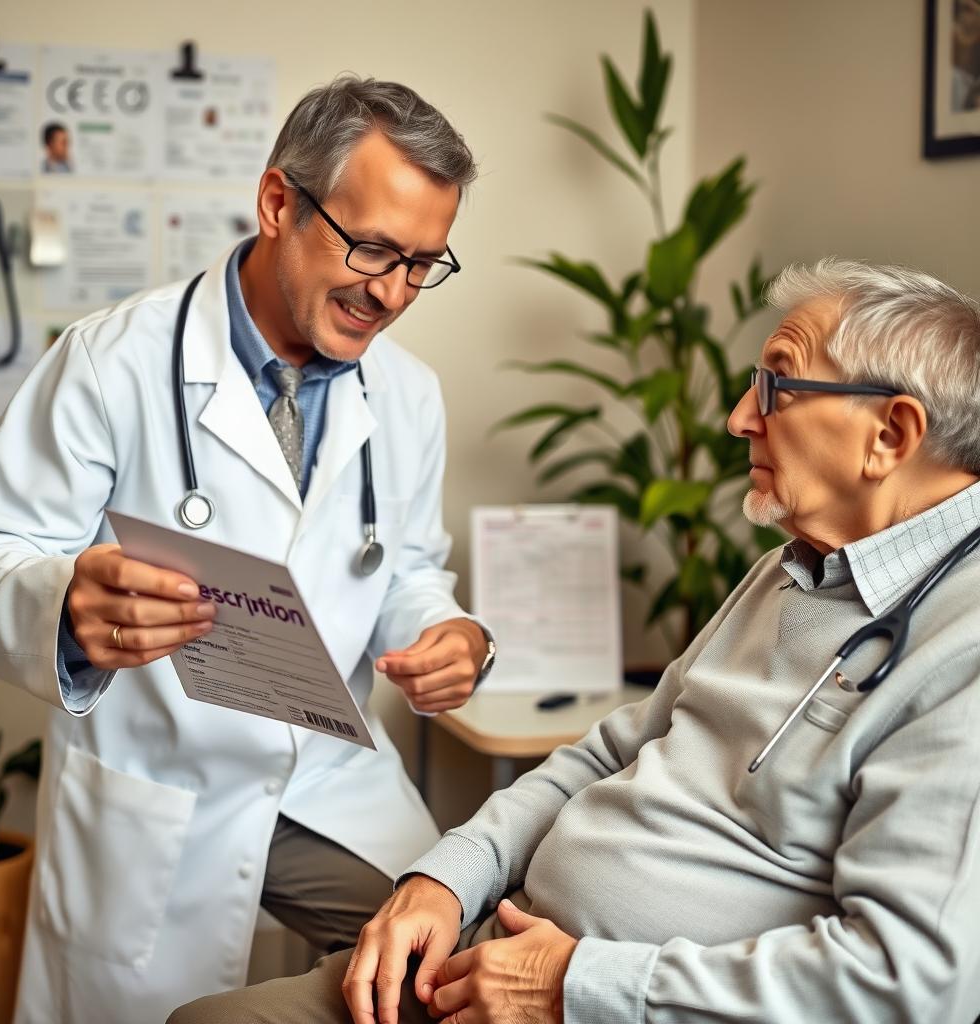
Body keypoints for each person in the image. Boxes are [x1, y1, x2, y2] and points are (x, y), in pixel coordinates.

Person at [171, 258, 980, 1024]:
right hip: (501, 945)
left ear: (890, 435)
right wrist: (447, 880)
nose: (739, 417)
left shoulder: (960, 652)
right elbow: (607, 754)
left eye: (775, 385)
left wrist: (572, 986)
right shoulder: (790, 569)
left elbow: (904, 984)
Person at [0, 76, 495, 1024]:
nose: (392, 293)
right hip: (158, 784)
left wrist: (448, 631)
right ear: (279, 202)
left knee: (447, 979)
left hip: (328, 779)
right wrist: (67, 607)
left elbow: (406, 568)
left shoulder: (409, 394)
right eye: (371, 247)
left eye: (422, 262)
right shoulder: (110, 360)